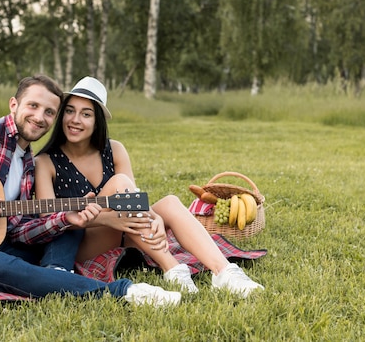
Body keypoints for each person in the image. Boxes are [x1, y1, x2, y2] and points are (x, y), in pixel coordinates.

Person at [0, 74, 181, 307]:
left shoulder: (29, 165)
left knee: (66, 222)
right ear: (14, 105)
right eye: (32, 106)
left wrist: (64, 220)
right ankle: (124, 292)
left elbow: (18, 230)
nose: (39, 117)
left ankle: (56, 276)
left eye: (49, 112)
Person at [35, 76, 265, 298]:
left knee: (170, 203)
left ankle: (224, 272)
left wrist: (153, 216)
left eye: (86, 114)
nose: (75, 120)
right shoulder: (46, 161)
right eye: (70, 111)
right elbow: (48, 220)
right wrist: (109, 220)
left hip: (125, 229)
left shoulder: (114, 150)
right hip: (82, 242)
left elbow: (132, 201)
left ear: (97, 122)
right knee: (120, 183)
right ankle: (173, 268)